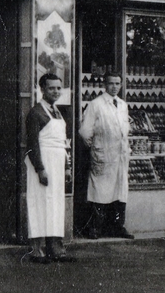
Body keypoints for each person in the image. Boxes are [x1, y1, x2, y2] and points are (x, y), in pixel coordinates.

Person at [24, 72, 73, 263]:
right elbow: (33, 143)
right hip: (42, 162)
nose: (56, 91)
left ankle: (55, 248)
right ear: (42, 89)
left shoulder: (58, 112)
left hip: (58, 162)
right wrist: (40, 168)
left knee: (56, 204)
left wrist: (67, 166)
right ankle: (36, 249)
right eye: (51, 88)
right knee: (39, 203)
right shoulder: (36, 113)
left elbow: (63, 143)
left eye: (59, 88)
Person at [79, 70, 132, 238]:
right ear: (105, 85)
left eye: (117, 83)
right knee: (100, 191)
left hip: (120, 156)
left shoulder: (123, 105)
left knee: (119, 192)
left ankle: (117, 227)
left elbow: (124, 128)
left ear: (121, 84)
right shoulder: (96, 104)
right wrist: (96, 148)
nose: (114, 87)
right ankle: (95, 228)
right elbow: (84, 131)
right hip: (103, 155)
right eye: (111, 83)